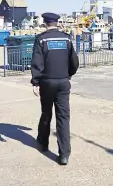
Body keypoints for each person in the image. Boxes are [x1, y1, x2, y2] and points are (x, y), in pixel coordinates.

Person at [30, 12, 79, 166]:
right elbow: (74, 61)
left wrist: (36, 82)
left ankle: (43, 143)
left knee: (46, 113)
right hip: (63, 82)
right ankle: (64, 155)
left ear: (45, 23)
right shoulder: (66, 38)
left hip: (47, 83)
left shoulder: (41, 39)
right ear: (57, 23)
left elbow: (37, 63)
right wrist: (67, 75)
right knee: (63, 117)